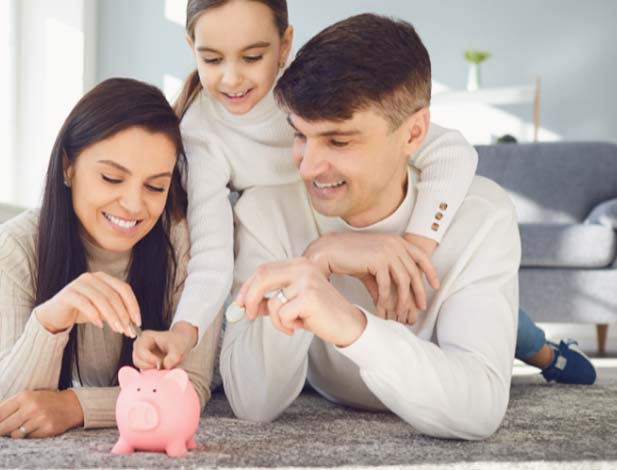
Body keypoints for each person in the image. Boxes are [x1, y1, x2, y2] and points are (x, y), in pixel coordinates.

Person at [136, 0, 595, 387]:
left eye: (252, 57)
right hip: (300, 237)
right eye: (212, 59)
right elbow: (212, 255)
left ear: (285, 45)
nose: (232, 79)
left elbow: (452, 152)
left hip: (371, 221)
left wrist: (412, 249)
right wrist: (184, 331)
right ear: (191, 47)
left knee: (474, 305)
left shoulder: (313, 93)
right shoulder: (201, 134)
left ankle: (543, 352)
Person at [221, 13, 521, 439]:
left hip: (480, 295)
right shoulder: (265, 210)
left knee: (525, 338)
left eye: (339, 141)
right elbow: (253, 403)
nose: (307, 167)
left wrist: (352, 327)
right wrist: (313, 264)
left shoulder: (482, 216)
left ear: (413, 134)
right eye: (300, 136)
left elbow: (479, 409)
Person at [0, 78, 221, 439]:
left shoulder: (186, 243)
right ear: (68, 166)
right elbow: (5, 403)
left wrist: (75, 406)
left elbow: (191, 388)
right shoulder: (15, 245)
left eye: (155, 186)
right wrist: (51, 320)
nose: (134, 205)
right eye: (111, 178)